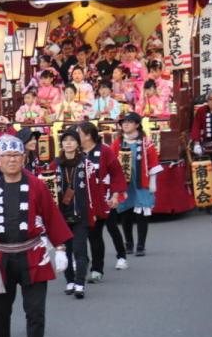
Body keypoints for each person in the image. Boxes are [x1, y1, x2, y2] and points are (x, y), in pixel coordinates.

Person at [0, 136, 72, 337]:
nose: (12, 160)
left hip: (33, 254)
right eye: (6, 156)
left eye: (16, 156)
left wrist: (61, 249)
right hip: (2, 257)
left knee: (35, 311)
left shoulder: (37, 185)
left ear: (23, 158)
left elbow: (52, 216)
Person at [77, 121, 128, 279]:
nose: (75, 136)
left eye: (78, 133)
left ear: (88, 135)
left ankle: (118, 258)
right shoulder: (75, 152)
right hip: (83, 199)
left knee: (108, 228)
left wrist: (115, 195)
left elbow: (116, 173)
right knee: (86, 233)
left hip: (104, 197)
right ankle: (85, 262)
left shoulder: (105, 151)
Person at [53, 130, 97, 298]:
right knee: (67, 250)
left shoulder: (86, 163)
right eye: (65, 140)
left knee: (80, 249)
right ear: (61, 144)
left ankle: (80, 283)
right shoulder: (55, 164)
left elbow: (94, 188)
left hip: (81, 213)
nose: (68, 143)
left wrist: (95, 211)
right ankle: (69, 281)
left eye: (72, 140)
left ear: (78, 144)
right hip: (61, 215)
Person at [114, 112, 162, 257]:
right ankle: (128, 243)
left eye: (129, 122)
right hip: (124, 183)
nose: (125, 124)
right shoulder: (118, 142)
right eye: (123, 122)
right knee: (126, 213)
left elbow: (153, 162)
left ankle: (141, 245)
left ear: (137, 124)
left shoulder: (146, 142)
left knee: (141, 213)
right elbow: (110, 161)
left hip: (141, 182)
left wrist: (153, 183)